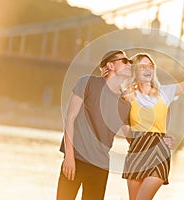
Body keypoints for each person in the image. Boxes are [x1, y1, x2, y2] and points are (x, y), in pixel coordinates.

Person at [121, 47, 184, 200]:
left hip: (158, 152)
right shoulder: (127, 96)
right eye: (142, 67)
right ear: (135, 71)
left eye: (150, 66)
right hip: (136, 152)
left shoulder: (164, 92)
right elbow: (122, 124)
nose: (147, 70)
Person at [56, 50, 133, 200]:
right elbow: (69, 118)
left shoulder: (125, 104)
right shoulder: (87, 83)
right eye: (125, 61)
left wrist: (160, 139)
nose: (129, 63)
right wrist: (69, 156)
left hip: (100, 167)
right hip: (75, 160)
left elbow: (130, 137)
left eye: (130, 61)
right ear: (110, 65)